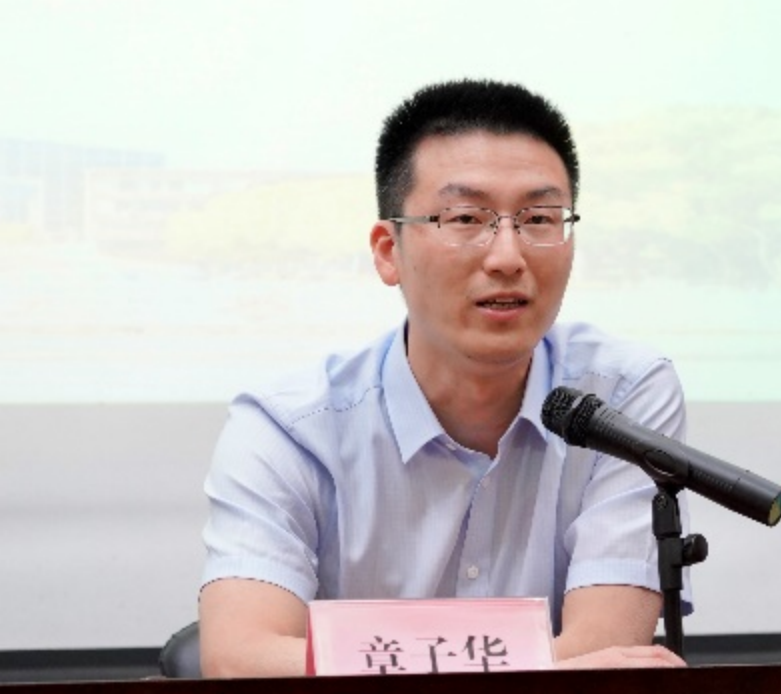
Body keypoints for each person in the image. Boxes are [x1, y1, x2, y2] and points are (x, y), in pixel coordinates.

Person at [198, 78, 692, 677]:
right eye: (465, 218)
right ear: (388, 251)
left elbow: (606, 652)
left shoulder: (622, 398)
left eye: (540, 218)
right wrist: (539, 668)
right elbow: (240, 659)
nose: (507, 256)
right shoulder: (288, 428)